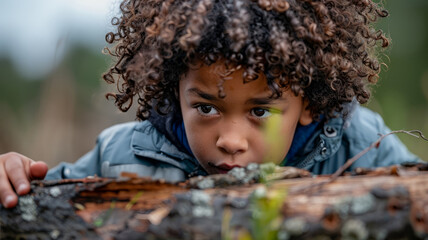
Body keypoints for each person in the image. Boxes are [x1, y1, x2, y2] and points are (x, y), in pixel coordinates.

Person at [0, 0, 420, 208]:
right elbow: (38, 199)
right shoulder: (121, 156)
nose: (231, 141)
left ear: (308, 102)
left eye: (260, 111)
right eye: (206, 108)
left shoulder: (360, 144)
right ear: (173, 87)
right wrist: (12, 173)